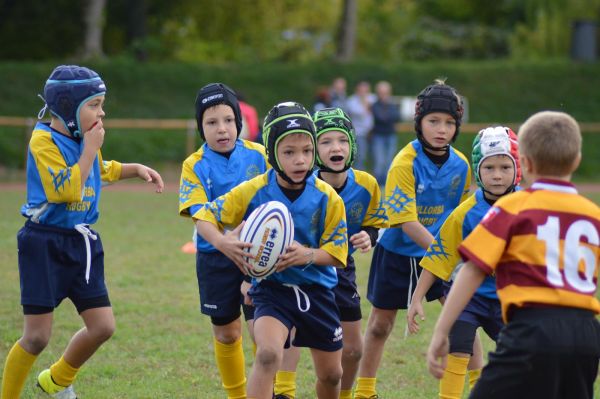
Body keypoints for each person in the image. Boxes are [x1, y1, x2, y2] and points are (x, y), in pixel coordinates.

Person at [0, 65, 164, 399]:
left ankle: (56, 380)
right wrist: (89, 149)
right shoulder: (43, 140)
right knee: (37, 338)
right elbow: (65, 189)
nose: (102, 111)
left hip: (81, 242)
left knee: (103, 327)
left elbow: (97, 171)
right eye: (94, 104)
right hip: (42, 243)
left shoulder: (84, 138)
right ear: (67, 107)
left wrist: (134, 169)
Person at [428, 111, 600, 399]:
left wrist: (441, 331)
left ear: (525, 164)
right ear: (577, 160)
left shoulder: (510, 208)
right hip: (586, 334)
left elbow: (472, 269)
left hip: (531, 330)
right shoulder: (593, 215)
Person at [195, 101, 349, 399]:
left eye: (306, 151)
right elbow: (204, 216)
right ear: (272, 155)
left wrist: (308, 255)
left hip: (317, 292)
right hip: (271, 290)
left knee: (332, 375)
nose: (300, 160)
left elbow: (338, 254)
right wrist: (222, 242)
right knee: (267, 355)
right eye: (289, 152)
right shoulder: (253, 189)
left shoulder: (328, 198)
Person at [354, 80, 472, 399]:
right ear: (418, 122)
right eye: (434, 121)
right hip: (396, 254)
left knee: (465, 318)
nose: (442, 129)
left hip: (441, 256)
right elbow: (406, 222)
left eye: (449, 123)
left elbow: (463, 217)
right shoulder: (403, 163)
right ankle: (365, 391)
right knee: (380, 325)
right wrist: (447, 252)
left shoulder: (462, 166)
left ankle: (480, 387)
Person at [273, 108, 389, 399]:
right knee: (294, 334)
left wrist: (370, 236)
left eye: (342, 140)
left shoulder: (367, 185)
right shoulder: (303, 184)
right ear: (313, 149)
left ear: (352, 144)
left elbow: (378, 223)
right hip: (299, 269)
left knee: (353, 349)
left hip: (340, 269)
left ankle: (345, 395)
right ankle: (284, 391)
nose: (335, 147)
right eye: (325, 142)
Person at [408, 126, 522, 399]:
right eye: (489, 167)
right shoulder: (465, 212)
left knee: (522, 358)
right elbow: (439, 255)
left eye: (505, 167)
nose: (497, 175)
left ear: (518, 168)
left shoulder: (526, 208)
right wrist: (417, 297)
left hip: (509, 300)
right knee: (458, 349)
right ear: (477, 170)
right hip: (468, 298)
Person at [178, 82, 269, 399]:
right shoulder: (195, 165)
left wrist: (245, 233)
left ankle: (266, 392)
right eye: (211, 122)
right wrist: (222, 242)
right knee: (227, 334)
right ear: (201, 127)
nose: (222, 129)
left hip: (259, 254)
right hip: (215, 258)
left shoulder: (259, 156)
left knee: (264, 328)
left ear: (239, 122)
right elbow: (199, 215)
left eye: (229, 120)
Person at [371, 81, 401, 185]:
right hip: (378, 136)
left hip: (391, 135)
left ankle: (387, 184)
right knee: (379, 161)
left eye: (386, 92)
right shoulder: (375, 105)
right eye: (381, 92)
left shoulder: (392, 105)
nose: (384, 95)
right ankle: (377, 185)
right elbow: (380, 117)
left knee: (389, 161)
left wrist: (387, 116)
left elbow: (397, 117)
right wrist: (389, 116)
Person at [346, 81, 375, 171]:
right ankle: (358, 176)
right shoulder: (352, 100)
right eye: (361, 90)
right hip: (359, 133)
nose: (364, 92)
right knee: (360, 157)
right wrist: (365, 105)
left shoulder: (373, 98)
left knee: (375, 157)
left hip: (373, 132)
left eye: (366, 90)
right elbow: (357, 112)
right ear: (357, 90)